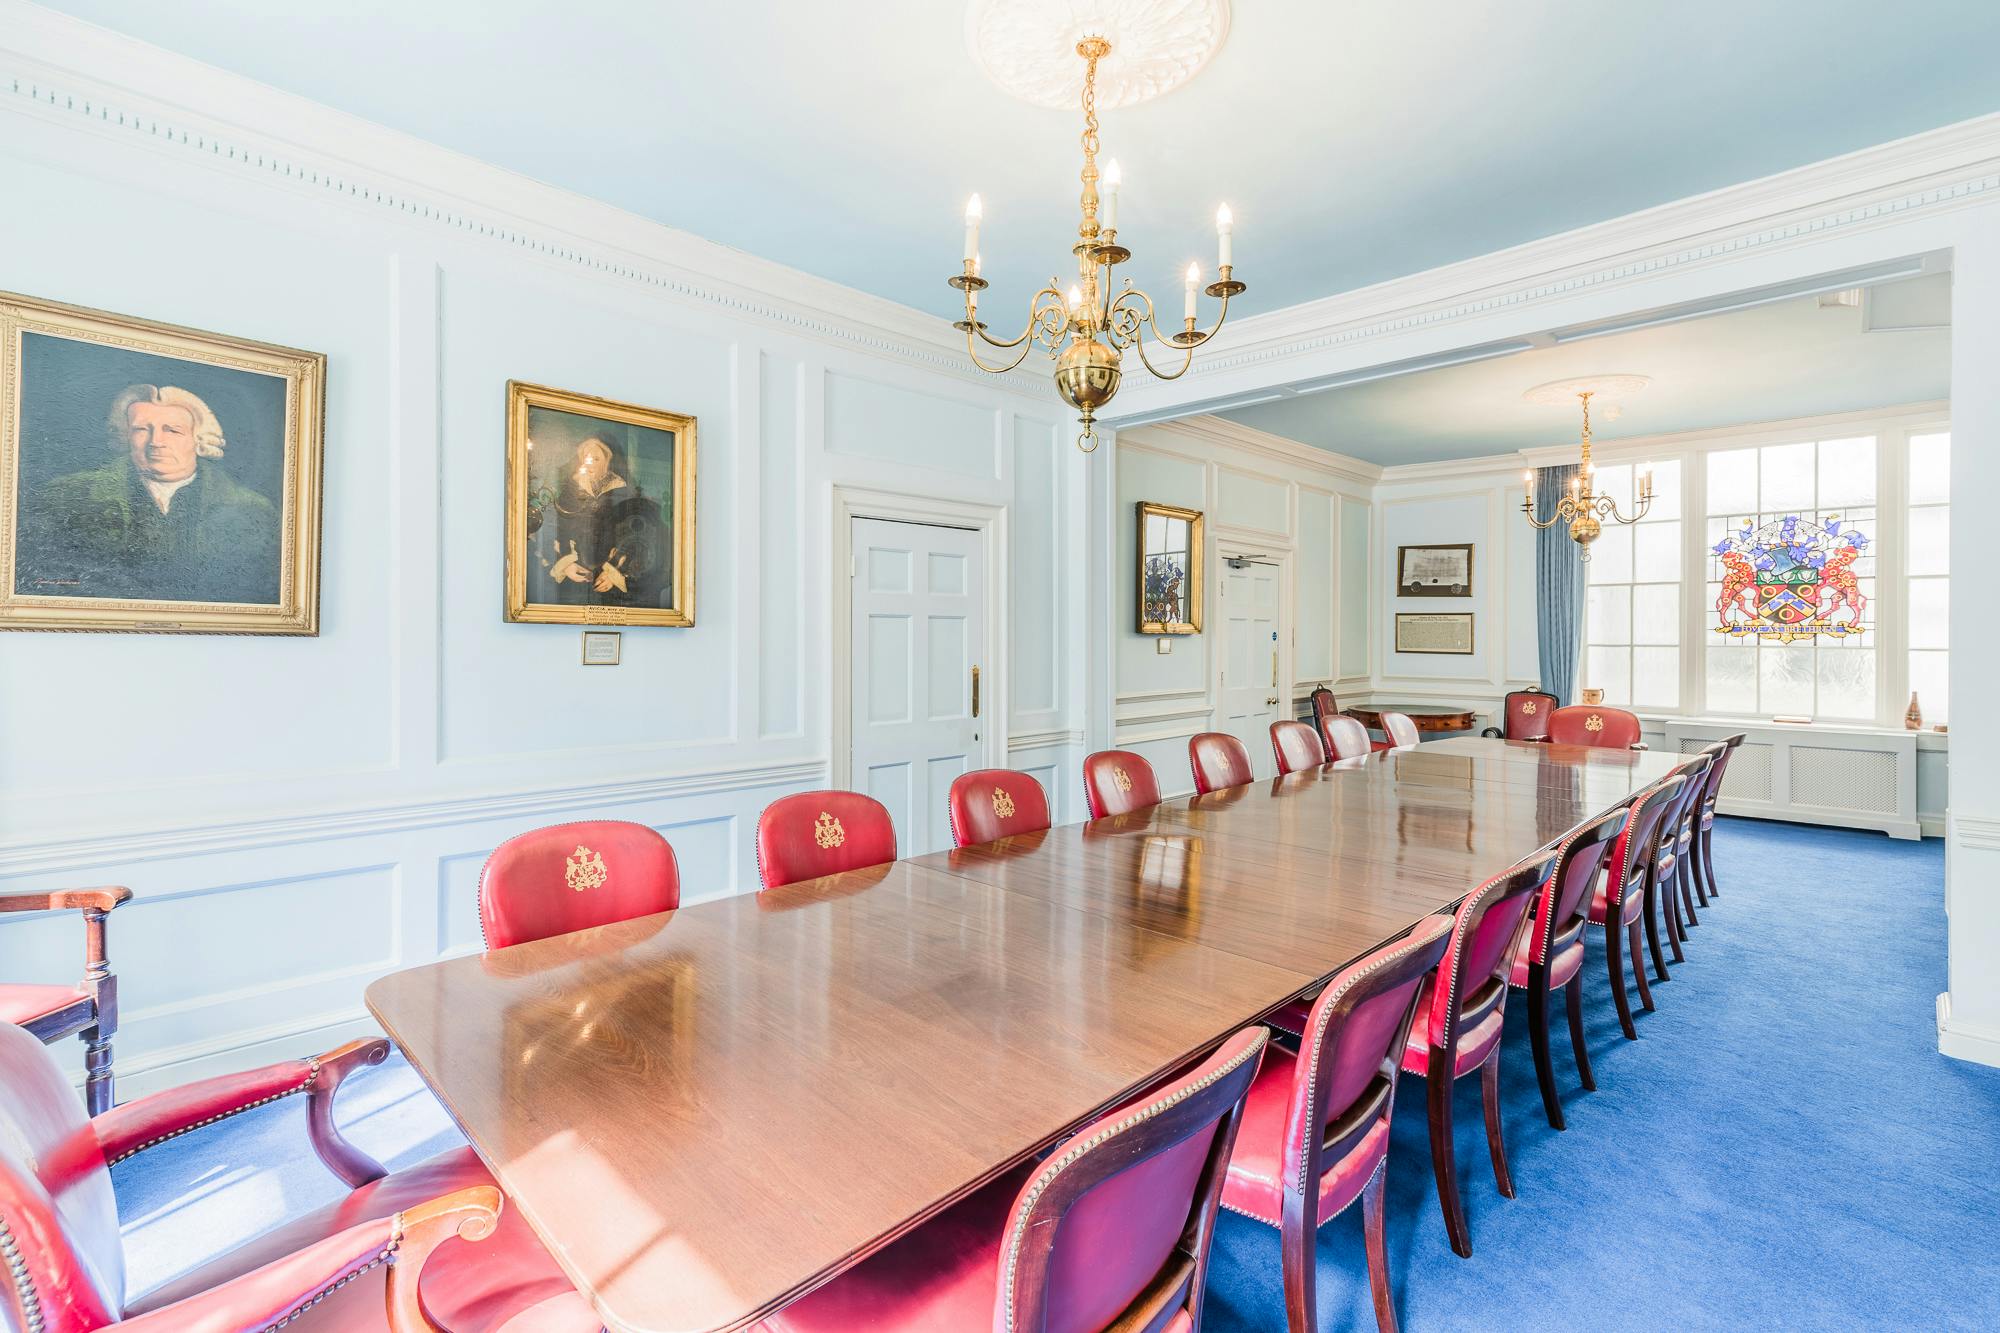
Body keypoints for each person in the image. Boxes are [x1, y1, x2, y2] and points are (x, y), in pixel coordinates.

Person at [16, 384, 279, 604]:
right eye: (142, 429)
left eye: (172, 430)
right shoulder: (66, 497)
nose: (156, 442)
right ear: (125, 436)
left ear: (199, 440)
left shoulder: (252, 509)